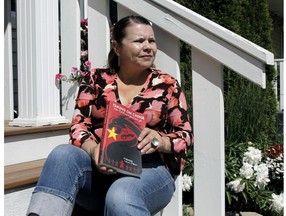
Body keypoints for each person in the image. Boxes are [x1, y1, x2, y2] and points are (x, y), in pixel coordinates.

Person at [26, 15, 193, 216]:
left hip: (149, 169)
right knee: (63, 155)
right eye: (139, 41)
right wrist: (93, 150)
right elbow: (79, 126)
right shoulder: (96, 79)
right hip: (100, 167)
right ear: (117, 47)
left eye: (151, 40)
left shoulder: (167, 85)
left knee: (121, 194)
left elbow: (185, 135)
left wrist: (161, 141)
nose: (148, 46)